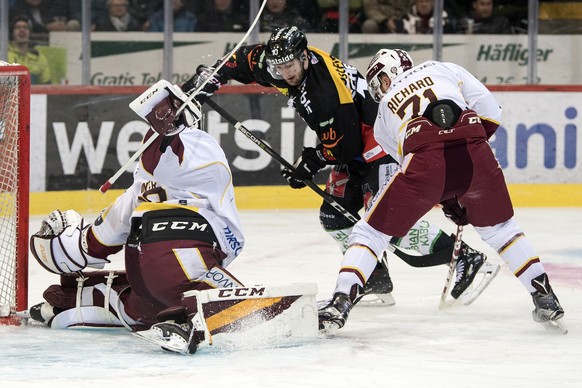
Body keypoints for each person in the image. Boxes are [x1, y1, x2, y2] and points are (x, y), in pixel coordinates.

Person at [181, 26, 497, 307]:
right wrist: (213, 76)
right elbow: (241, 61)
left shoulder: (325, 93)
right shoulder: (280, 64)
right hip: (352, 146)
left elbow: (345, 147)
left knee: (384, 214)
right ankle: (374, 278)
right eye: (278, 67)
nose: (284, 74)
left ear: (303, 57)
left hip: (380, 145)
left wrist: (310, 161)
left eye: (290, 66)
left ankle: (469, 260)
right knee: (333, 214)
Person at [318, 48, 566, 334]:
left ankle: (340, 303)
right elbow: (492, 113)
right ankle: (545, 296)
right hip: (475, 150)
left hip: (425, 157)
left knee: (370, 233)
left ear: (391, 73)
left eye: (380, 81)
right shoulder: (442, 68)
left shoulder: (385, 110)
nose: (379, 90)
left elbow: (410, 161)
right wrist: (465, 169)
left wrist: (446, 192)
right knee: (502, 230)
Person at [26, 81, 246, 351]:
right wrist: (171, 115)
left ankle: (78, 304)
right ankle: (188, 318)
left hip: (142, 271)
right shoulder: (202, 150)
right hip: (180, 259)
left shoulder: (137, 190)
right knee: (220, 298)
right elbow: (177, 150)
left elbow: (89, 246)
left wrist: (58, 242)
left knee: (137, 306)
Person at [7, 15, 51, 84]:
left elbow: (46, 85)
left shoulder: (38, 57)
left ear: (30, 32)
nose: (22, 30)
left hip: (33, 94)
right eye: (18, 27)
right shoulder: (3, 54)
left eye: (25, 27)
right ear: (12, 33)